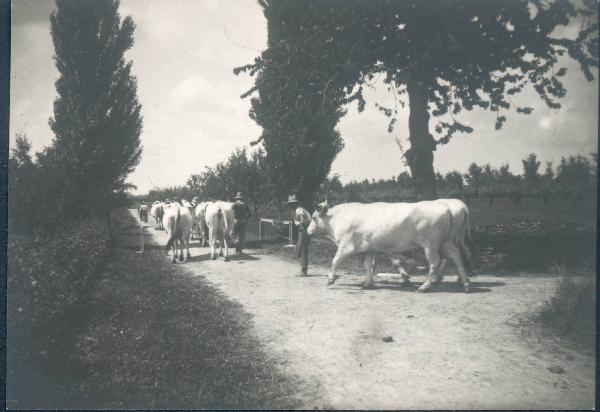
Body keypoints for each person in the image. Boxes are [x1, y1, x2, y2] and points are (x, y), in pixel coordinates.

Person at [286, 193, 311, 276]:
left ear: (295, 203)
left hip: (304, 229)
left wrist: (301, 226)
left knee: (302, 249)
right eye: (290, 204)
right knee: (299, 249)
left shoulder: (298, 209)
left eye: (292, 203)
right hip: (304, 229)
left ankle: (304, 271)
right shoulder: (299, 209)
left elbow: (302, 220)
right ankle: (303, 269)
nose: (291, 205)